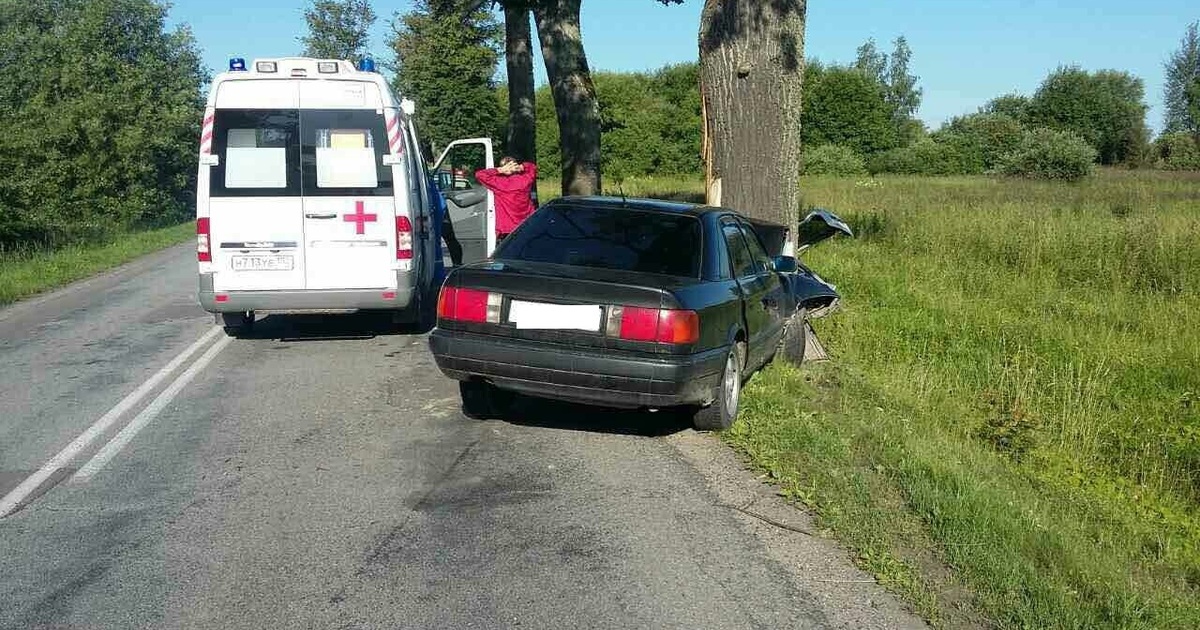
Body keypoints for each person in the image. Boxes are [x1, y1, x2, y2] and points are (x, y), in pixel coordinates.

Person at [474, 156, 537, 242]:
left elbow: (479, 174)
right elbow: (532, 167)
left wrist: (500, 170)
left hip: (507, 230)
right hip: (526, 225)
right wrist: (520, 167)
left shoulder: (499, 182)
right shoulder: (525, 180)